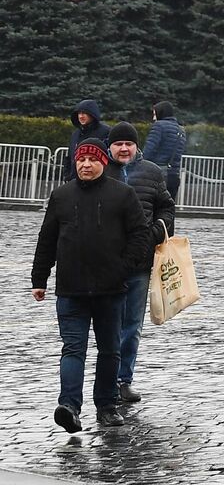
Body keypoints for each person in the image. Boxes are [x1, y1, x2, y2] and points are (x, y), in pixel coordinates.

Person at [32, 139, 148, 432]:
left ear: (102, 163)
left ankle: (106, 405)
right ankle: (69, 406)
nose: (85, 164)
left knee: (110, 350)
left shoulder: (123, 195)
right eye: (80, 159)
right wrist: (39, 278)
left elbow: (139, 235)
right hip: (71, 289)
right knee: (73, 349)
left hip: (111, 290)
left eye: (91, 160)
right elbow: (47, 239)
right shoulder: (61, 195)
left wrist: (124, 268)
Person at [105, 122, 172, 406]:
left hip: (140, 262)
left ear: (135, 146)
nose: (123, 148)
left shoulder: (153, 172)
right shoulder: (99, 169)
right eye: (118, 143)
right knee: (106, 324)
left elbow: (166, 207)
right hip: (104, 261)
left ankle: (123, 380)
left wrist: (157, 231)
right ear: (110, 147)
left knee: (132, 325)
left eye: (128, 143)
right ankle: (103, 380)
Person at [143, 102, 188, 199]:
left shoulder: (159, 126)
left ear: (161, 113)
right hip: (174, 175)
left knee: (152, 207)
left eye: (155, 114)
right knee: (167, 209)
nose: (154, 118)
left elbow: (149, 150)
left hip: (157, 174)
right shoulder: (181, 130)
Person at [64, 99, 111, 182]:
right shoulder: (75, 134)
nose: (81, 116)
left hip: (97, 181)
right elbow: (70, 156)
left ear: (93, 114)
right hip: (75, 180)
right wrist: (67, 176)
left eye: (84, 113)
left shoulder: (106, 132)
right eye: (79, 113)